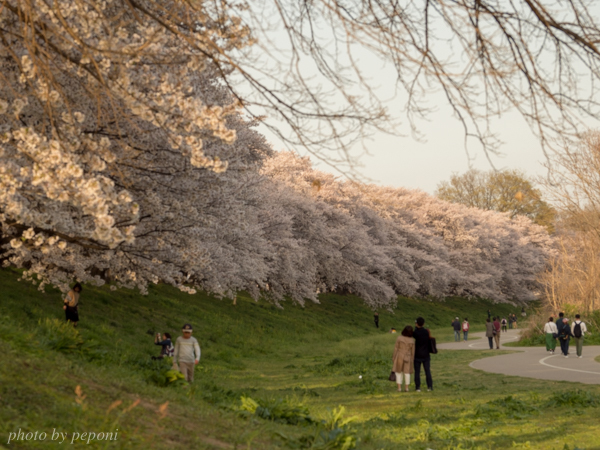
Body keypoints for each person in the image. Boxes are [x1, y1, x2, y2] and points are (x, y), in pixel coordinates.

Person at [392, 326, 415, 392]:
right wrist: (412, 359)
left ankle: (399, 388)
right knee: (407, 372)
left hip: (399, 355)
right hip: (408, 356)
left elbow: (396, 348)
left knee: (398, 371)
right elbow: (413, 351)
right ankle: (406, 388)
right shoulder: (412, 340)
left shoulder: (399, 338)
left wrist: (394, 357)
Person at [413, 317, 433, 392]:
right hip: (426, 354)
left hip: (417, 354)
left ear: (416, 324)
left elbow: (414, 335)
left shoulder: (415, 333)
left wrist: (415, 328)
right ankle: (429, 386)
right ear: (423, 324)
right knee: (427, 370)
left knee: (417, 372)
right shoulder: (426, 332)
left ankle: (418, 387)